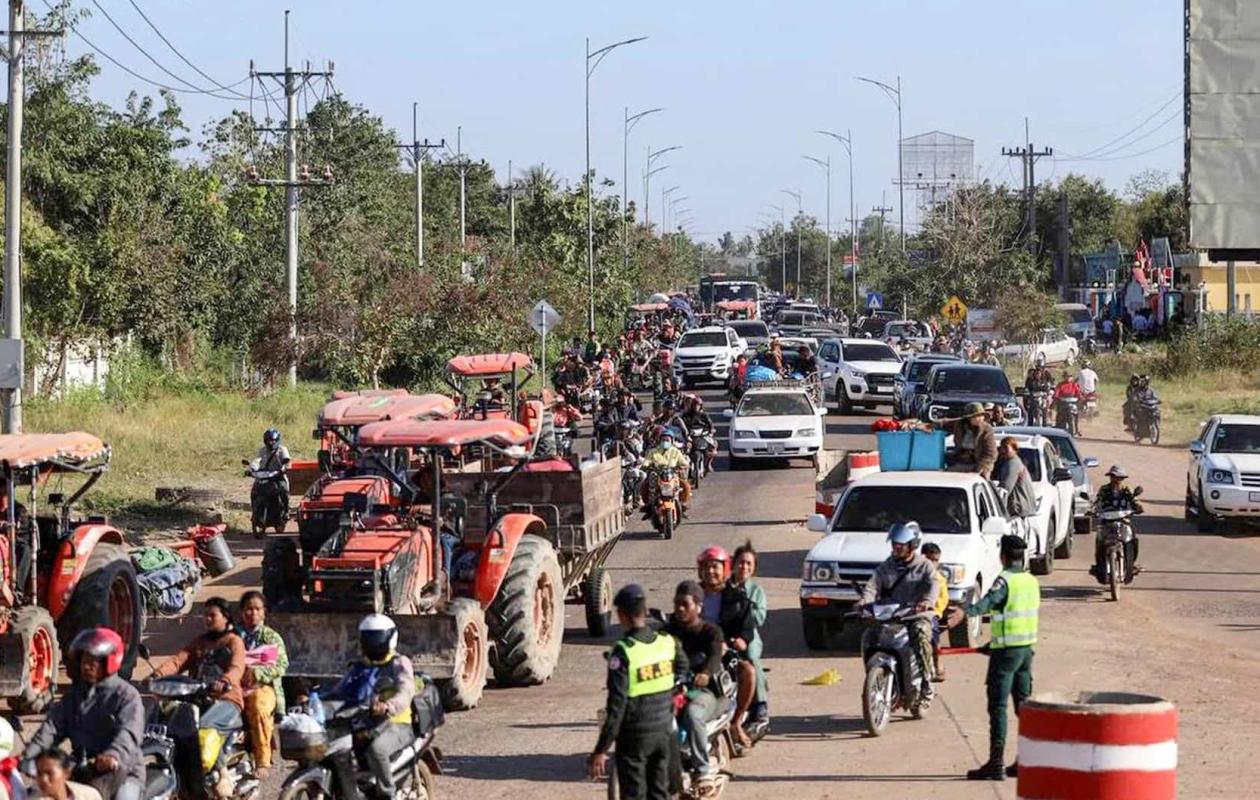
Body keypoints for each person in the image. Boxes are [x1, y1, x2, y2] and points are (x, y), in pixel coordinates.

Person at [947, 534, 1040, 781]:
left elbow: (988, 603)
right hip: (1025, 652)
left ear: (1003, 556)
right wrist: (993, 644)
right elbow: (1017, 617)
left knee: (997, 707)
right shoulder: (1031, 580)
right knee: (1024, 708)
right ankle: (1027, 760)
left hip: (1006, 654)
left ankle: (996, 764)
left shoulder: (1005, 580)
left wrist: (964, 612)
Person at [588, 584, 686, 800]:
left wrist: (601, 749)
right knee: (660, 794)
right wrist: (669, 695)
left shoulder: (624, 652)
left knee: (634, 795)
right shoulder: (667, 643)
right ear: (645, 611)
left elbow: (616, 707)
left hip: (635, 737)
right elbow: (682, 669)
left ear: (622, 616)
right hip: (664, 732)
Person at [21, 628, 144, 800]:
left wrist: (112, 756)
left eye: (93, 661)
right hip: (81, 767)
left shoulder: (126, 696)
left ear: (109, 661)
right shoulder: (74, 696)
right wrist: (27, 755)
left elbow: (129, 734)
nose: (86, 665)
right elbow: (52, 727)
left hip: (121, 771)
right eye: (84, 660)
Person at [323, 614, 416, 799]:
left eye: (378, 637)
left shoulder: (398, 662)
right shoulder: (360, 665)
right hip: (364, 722)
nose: (374, 643)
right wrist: (317, 700)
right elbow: (340, 690)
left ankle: (387, 793)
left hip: (397, 723)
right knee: (334, 749)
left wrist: (388, 706)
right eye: (369, 638)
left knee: (377, 749)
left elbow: (406, 691)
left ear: (390, 638)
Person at [859, 522, 938, 701]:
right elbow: (872, 585)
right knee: (870, 636)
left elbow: (934, 585)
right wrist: (864, 603)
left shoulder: (925, 566)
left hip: (916, 614)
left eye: (901, 544)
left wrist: (927, 601)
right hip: (891, 614)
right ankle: (876, 678)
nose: (896, 547)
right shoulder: (886, 566)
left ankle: (927, 681)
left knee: (921, 634)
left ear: (912, 545)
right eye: (894, 544)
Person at [661, 581, 725, 791]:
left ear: (698, 606)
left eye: (685, 604)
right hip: (671, 689)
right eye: (677, 604)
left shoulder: (710, 632)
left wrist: (705, 673)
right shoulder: (666, 633)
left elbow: (715, 656)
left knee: (693, 714)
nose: (680, 609)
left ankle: (702, 770)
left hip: (702, 692)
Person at [695, 547, 756, 749]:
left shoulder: (737, 598)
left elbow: (746, 629)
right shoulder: (691, 595)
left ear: (725, 569)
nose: (710, 571)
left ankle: (736, 721)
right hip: (694, 652)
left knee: (748, 672)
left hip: (726, 654)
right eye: (706, 567)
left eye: (715, 567)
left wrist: (738, 641)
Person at [238, 591, 289, 776]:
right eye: (248, 609)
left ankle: (263, 761)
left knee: (259, 707)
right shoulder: (233, 635)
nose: (253, 613)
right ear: (241, 612)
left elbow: (281, 665)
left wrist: (257, 673)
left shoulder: (271, 637)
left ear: (264, 612)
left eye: (257, 609)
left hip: (264, 687)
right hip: (235, 685)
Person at [729, 542, 769, 730]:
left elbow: (759, 618)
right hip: (724, 634)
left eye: (748, 564)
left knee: (752, 657)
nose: (744, 567)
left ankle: (760, 705)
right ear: (733, 564)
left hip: (748, 635)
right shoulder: (724, 588)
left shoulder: (756, 592)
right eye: (741, 562)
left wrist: (742, 611)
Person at [1092, 465, 1143, 580]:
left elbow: (1134, 500)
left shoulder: (1127, 489)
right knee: (1099, 541)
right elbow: (1098, 501)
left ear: (1123, 478)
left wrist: (1138, 506)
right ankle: (1099, 566)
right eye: (1113, 476)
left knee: (1132, 540)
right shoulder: (1104, 489)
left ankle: (1131, 565)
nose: (1116, 479)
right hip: (1106, 521)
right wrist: (1092, 510)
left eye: (1119, 477)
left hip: (1123, 520)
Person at [640, 429, 692, 517]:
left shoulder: (676, 452)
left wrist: (684, 466)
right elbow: (647, 461)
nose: (665, 442)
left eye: (667, 440)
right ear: (660, 441)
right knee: (645, 485)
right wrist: (645, 465)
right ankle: (649, 505)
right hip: (657, 474)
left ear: (672, 441)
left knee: (686, 486)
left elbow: (684, 462)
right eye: (663, 440)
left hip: (672, 474)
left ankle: (682, 505)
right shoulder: (653, 451)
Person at [920, 542, 950, 682]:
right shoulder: (914, 574)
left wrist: (935, 609)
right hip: (911, 612)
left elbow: (944, 598)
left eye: (936, 560)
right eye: (929, 560)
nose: (933, 563)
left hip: (931, 614)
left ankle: (938, 665)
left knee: (934, 640)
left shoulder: (939, 578)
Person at [943, 402, 997, 478]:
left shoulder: (987, 429)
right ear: (968, 418)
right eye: (976, 416)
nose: (980, 418)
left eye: (981, 415)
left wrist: (982, 468)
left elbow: (991, 453)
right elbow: (943, 423)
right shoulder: (959, 424)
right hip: (961, 461)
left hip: (980, 463)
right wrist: (930, 426)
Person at [992, 437, 1037, 520]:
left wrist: (999, 511)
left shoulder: (1012, 464)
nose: (1003, 451)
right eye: (1001, 447)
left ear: (1014, 449)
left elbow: (1005, 489)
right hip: (1022, 509)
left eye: (1006, 448)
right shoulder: (1012, 462)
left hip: (1017, 510)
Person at [29, 751, 98, 800]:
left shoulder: (89, 795)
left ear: (66, 774)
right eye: (39, 773)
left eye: (50, 773)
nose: (43, 779)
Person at [255, 428, 291, 513]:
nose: (271, 443)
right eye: (268, 441)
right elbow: (257, 461)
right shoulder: (262, 451)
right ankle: (255, 511)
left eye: (273, 441)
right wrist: (252, 469)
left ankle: (286, 510)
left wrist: (283, 468)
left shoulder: (282, 450)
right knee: (255, 489)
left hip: (278, 476)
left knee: (284, 490)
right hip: (264, 476)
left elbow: (287, 462)